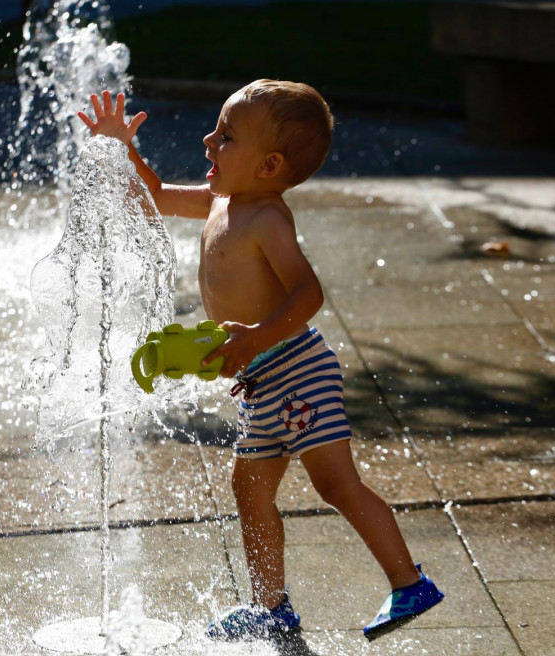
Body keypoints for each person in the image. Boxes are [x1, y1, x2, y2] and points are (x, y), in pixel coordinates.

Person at [78, 80, 444, 642]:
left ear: (270, 165)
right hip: (262, 377)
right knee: (249, 488)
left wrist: (255, 337)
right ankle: (270, 606)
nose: (207, 141)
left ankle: (408, 582)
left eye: (225, 137)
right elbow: (149, 197)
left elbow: (307, 294)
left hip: (297, 368)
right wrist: (120, 145)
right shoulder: (221, 203)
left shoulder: (268, 220)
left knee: (335, 484)